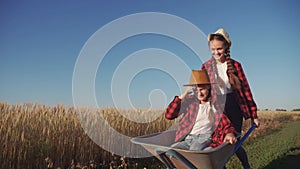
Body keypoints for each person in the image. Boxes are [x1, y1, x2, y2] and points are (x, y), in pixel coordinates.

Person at [202, 28, 260, 169]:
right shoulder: (206, 66)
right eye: (213, 49)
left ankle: (246, 165)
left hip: (234, 105)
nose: (216, 53)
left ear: (226, 47)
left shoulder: (235, 65)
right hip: (216, 107)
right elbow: (202, 89)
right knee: (219, 143)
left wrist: (254, 115)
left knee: (234, 142)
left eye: (219, 49)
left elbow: (246, 90)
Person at [164, 69, 237, 151]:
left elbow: (225, 124)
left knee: (194, 150)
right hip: (189, 138)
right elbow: (169, 115)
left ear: (208, 88)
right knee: (171, 150)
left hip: (204, 138)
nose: (199, 93)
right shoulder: (190, 102)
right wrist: (183, 95)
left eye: (202, 89)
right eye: (196, 90)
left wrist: (229, 134)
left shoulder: (215, 105)